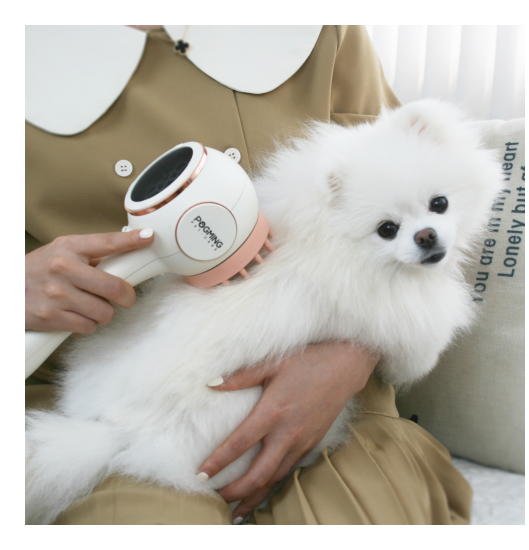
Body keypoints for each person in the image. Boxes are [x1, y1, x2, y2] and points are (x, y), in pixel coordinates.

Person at [25, 25, 472, 525]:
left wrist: (351, 357)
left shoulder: (325, 35)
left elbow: (427, 202)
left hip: (338, 392)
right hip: (114, 408)